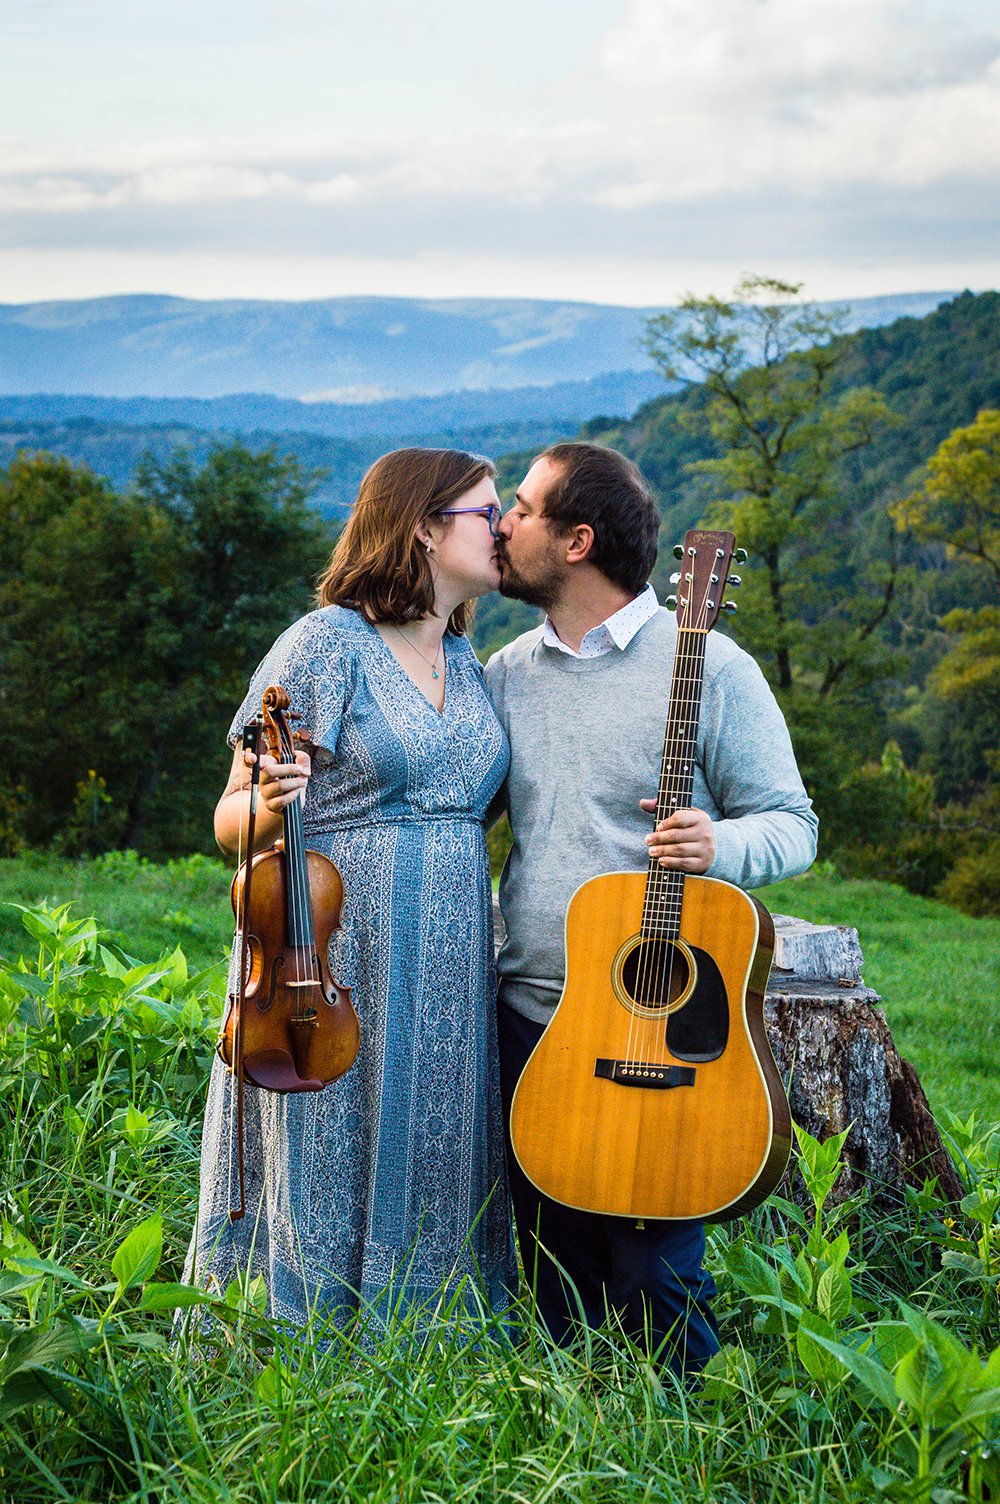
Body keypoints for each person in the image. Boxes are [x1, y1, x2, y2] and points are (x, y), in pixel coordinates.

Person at [484, 442, 818, 1378]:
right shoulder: (507, 673)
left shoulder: (711, 665)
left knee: (653, 1279)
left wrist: (721, 846)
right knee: (554, 1275)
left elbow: (793, 825)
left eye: (521, 507)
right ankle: (567, 1452)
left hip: (667, 1038)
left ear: (577, 540)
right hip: (532, 1025)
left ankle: (694, 1448)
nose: (500, 524)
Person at [185, 448, 516, 1330]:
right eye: (487, 513)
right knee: (326, 1144)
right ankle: (295, 1341)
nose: (505, 528)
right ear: (421, 526)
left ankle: (430, 1341)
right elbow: (227, 818)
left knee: (435, 1144)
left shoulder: (467, 657)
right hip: (330, 951)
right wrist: (263, 805)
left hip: (450, 958)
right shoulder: (326, 643)